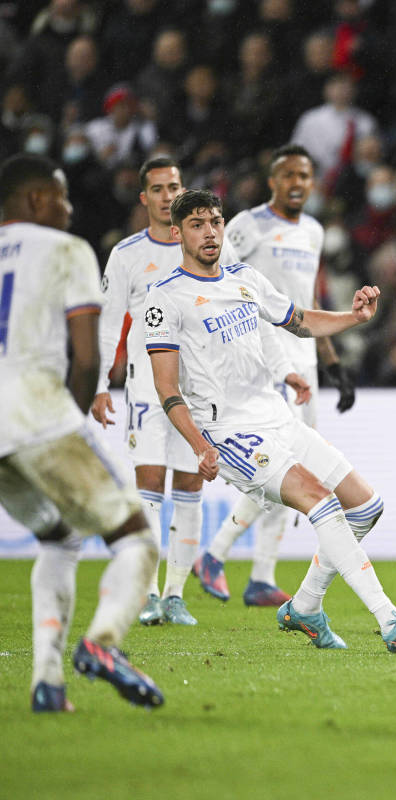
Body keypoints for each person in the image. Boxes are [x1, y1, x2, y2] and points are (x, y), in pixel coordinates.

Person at [144, 188, 396, 651]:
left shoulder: (244, 278)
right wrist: (198, 445)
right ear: (177, 233)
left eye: (214, 221)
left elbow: (301, 321)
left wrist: (354, 318)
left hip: (278, 417)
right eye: (197, 224)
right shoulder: (166, 298)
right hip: (230, 433)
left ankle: (306, 606)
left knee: (367, 506)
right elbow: (167, 388)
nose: (209, 231)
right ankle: (390, 621)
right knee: (321, 501)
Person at [0, 153, 162, 711]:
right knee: (137, 539)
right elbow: (87, 356)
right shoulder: (66, 249)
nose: (70, 210)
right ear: (38, 200)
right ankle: (102, 644)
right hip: (36, 414)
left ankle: (47, 683)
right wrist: (70, 421)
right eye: (63, 198)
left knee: (60, 535)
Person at [192, 144, 357, 608]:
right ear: (273, 181)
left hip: (304, 358)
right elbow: (216, 277)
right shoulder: (247, 225)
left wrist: (334, 364)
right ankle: (216, 552)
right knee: (282, 463)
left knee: (295, 467)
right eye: (289, 175)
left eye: (305, 175)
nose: (298, 183)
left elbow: (307, 303)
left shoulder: (314, 231)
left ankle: (261, 575)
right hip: (263, 357)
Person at [92, 155, 235, 627]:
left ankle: (175, 594)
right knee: (150, 483)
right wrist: (99, 384)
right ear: (144, 197)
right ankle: (150, 593)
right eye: (157, 188)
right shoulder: (127, 254)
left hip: (198, 392)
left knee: (191, 483)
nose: (167, 195)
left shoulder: (209, 245)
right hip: (146, 389)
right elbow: (109, 324)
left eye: (174, 186)